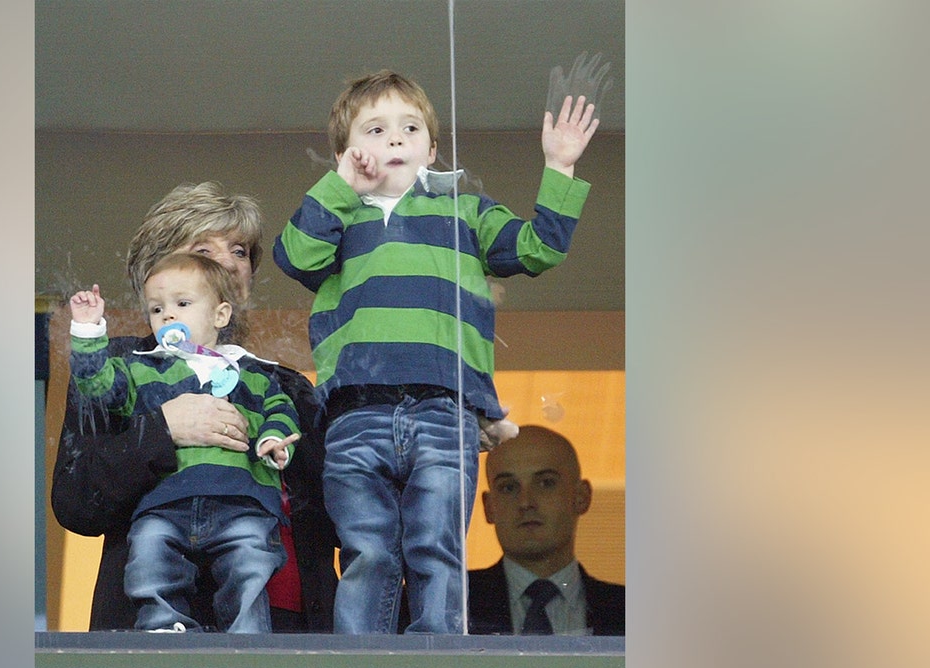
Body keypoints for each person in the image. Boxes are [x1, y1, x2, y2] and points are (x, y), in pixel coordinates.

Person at [272, 70, 598, 634]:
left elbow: (538, 249)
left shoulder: (465, 212)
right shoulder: (337, 219)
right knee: (367, 551)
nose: (395, 139)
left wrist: (560, 167)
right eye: (375, 129)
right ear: (347, 153)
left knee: (437, 546)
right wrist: (338, 187)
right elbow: (294, 258)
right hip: (355, 414)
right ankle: (361, 665)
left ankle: (437, 658)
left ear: (433, 148)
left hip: (445, 413)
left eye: (410, 127)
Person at [51, 182, 337, 632]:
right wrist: (165, 428)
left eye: (240, 251)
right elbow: (78, 501)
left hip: (287, 626)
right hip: (162, 630)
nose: (227, 262)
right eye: (204, 249)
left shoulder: (286, 385)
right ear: (159, 271)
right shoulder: (119, 368)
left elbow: (338, 521)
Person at [69, 252, 301, 633]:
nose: (168, 316)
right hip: (164, 502)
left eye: (182, 304)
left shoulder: (252, 372)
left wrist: (276, 439)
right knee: (146, 554)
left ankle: (249, 636)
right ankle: (162, 625)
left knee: (252, 560)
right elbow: (99, 388)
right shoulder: (142, 368)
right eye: (157, 309)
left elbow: (280, 409)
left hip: (240, 498)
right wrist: (89, 332)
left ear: (220, 315)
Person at [467, 425, 624, 636]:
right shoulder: (445, 608)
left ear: (581, 497)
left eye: (545, 483)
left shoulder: (638, 616)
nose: (525, 502)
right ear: (489, 507)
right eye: (508, 487)